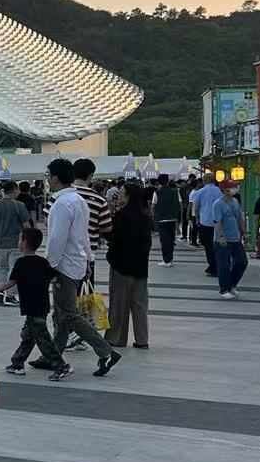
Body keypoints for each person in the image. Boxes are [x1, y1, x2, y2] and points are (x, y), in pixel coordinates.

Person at [45, 158, 120, 375]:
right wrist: (88, 258)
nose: (47, 180)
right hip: (78, 262)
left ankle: (106, 351)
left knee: (68, 314)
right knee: (62, 314)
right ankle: (53, 356)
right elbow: (84, 235)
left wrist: (50, 266)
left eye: (48, 176)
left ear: (56, 178)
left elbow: (57, 239)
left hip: (64, 265)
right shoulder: (78, 201)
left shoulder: (61, 204)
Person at [0, 226, 68, 380]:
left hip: (31, 306)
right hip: (42, 305)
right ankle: (17, 363)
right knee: (28, 336)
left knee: (43, 339)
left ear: (24, 243)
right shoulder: (43, 262)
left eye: (20, 239)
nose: (18, 242)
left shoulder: (21, 263)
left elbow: (11, 283)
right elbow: (55, 278)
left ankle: (61, 366)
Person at [105, 184, 153, 348]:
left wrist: (110, 256)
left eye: (121, 193)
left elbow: (114, 239)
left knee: (119, 304)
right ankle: (142, 339)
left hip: (121, 266)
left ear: (128, 197)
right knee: (140, 305)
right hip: (141, 267)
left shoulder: (121, 216)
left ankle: (116, 338)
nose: (118, 196)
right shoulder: (145, 216)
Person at [0, 181, 29, 304]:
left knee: (2, 268)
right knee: (14, 270)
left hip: (0, 243)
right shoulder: (19, 205)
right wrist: (27, 241)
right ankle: (10, 295)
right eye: (17, 189)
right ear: (14, 190)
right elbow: (26, 225)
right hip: (16, 243)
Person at [214, 179, 248, 299]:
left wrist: (244, 232)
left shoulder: (235, 201)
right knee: (224, 265)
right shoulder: (218, 204)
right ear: (224, 190)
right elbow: (217, 222)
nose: (235, 189)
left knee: (242, 262)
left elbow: (240, 218)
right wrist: (221, 236)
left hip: (236, 238)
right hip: (223, 240)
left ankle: (232, 285)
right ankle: (224, 289)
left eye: (235, 187)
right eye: (232, 187)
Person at [189, 171, 223, 276]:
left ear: (204, 181)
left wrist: (197, 219)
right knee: (218, 244)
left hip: (205, 222)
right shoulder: (219, 191)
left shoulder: (200, 192)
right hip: (218, 222)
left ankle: (212, 266)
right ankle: (218, 265)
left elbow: (196, 207)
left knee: (208, 245)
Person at [151, 173, 180, 266]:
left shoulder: (157, 192)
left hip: (161, 219)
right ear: (167, 181)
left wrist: (153, 217)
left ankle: (166, 260)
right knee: (171, 240)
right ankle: (170, 259)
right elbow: (178, 205)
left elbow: (153, 206)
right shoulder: (175, 191)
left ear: (159, 182)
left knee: (164, 241)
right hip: (172, 219)